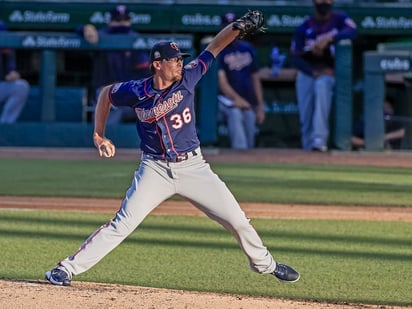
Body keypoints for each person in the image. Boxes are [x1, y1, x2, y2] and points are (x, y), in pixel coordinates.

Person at [45, 10, 300, 286]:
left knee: (237, 220)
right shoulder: (136, 90)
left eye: (181, 59)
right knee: (122, 223)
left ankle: (266, 264)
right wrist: (99, 134)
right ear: (157, 64)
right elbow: (106, 93)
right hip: (154, 169)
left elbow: (214, 47)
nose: (180, 64)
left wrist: (237, 27)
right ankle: (65, 269)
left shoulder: (189, 77)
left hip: (194, 168)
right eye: (175, 60)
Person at [290, 0, 357, 152]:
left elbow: (353, 31)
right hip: (309, 71)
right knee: (305, 103)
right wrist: (313, 71)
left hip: (329, 72)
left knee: (322, 85)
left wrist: (329, 39)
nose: (324, 2)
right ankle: (307, 145)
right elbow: (295, 56)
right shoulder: (305, 26)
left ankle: (319, 141)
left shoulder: (339, 19)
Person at [77, 5, 151, 124]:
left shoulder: (136, 38)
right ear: (110, 21)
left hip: (131, 94)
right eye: (118, 20)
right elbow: (78, 31)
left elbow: (145, 74)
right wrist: (86, 28)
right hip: (106, 94)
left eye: (125, 20)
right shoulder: (101, 36)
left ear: (130, 21)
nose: (121, 23)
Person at [217, 12, 265, 150]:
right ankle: (239, 152)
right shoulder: (218, 50)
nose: (231, 32)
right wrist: (237, 99)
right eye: (228, 28)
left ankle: (247, 158)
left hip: (247, 102)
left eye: (234, 28)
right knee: (235, 113)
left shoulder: (247, 48)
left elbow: (255, 78)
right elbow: (222, 83)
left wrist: (260, 105)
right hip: (225, 101)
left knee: (249, 117)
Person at [0, 20, 30, 124]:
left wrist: (11, 74)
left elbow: (9, 67)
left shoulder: (1, 27)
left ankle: (4, 127)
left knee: (21, 87)